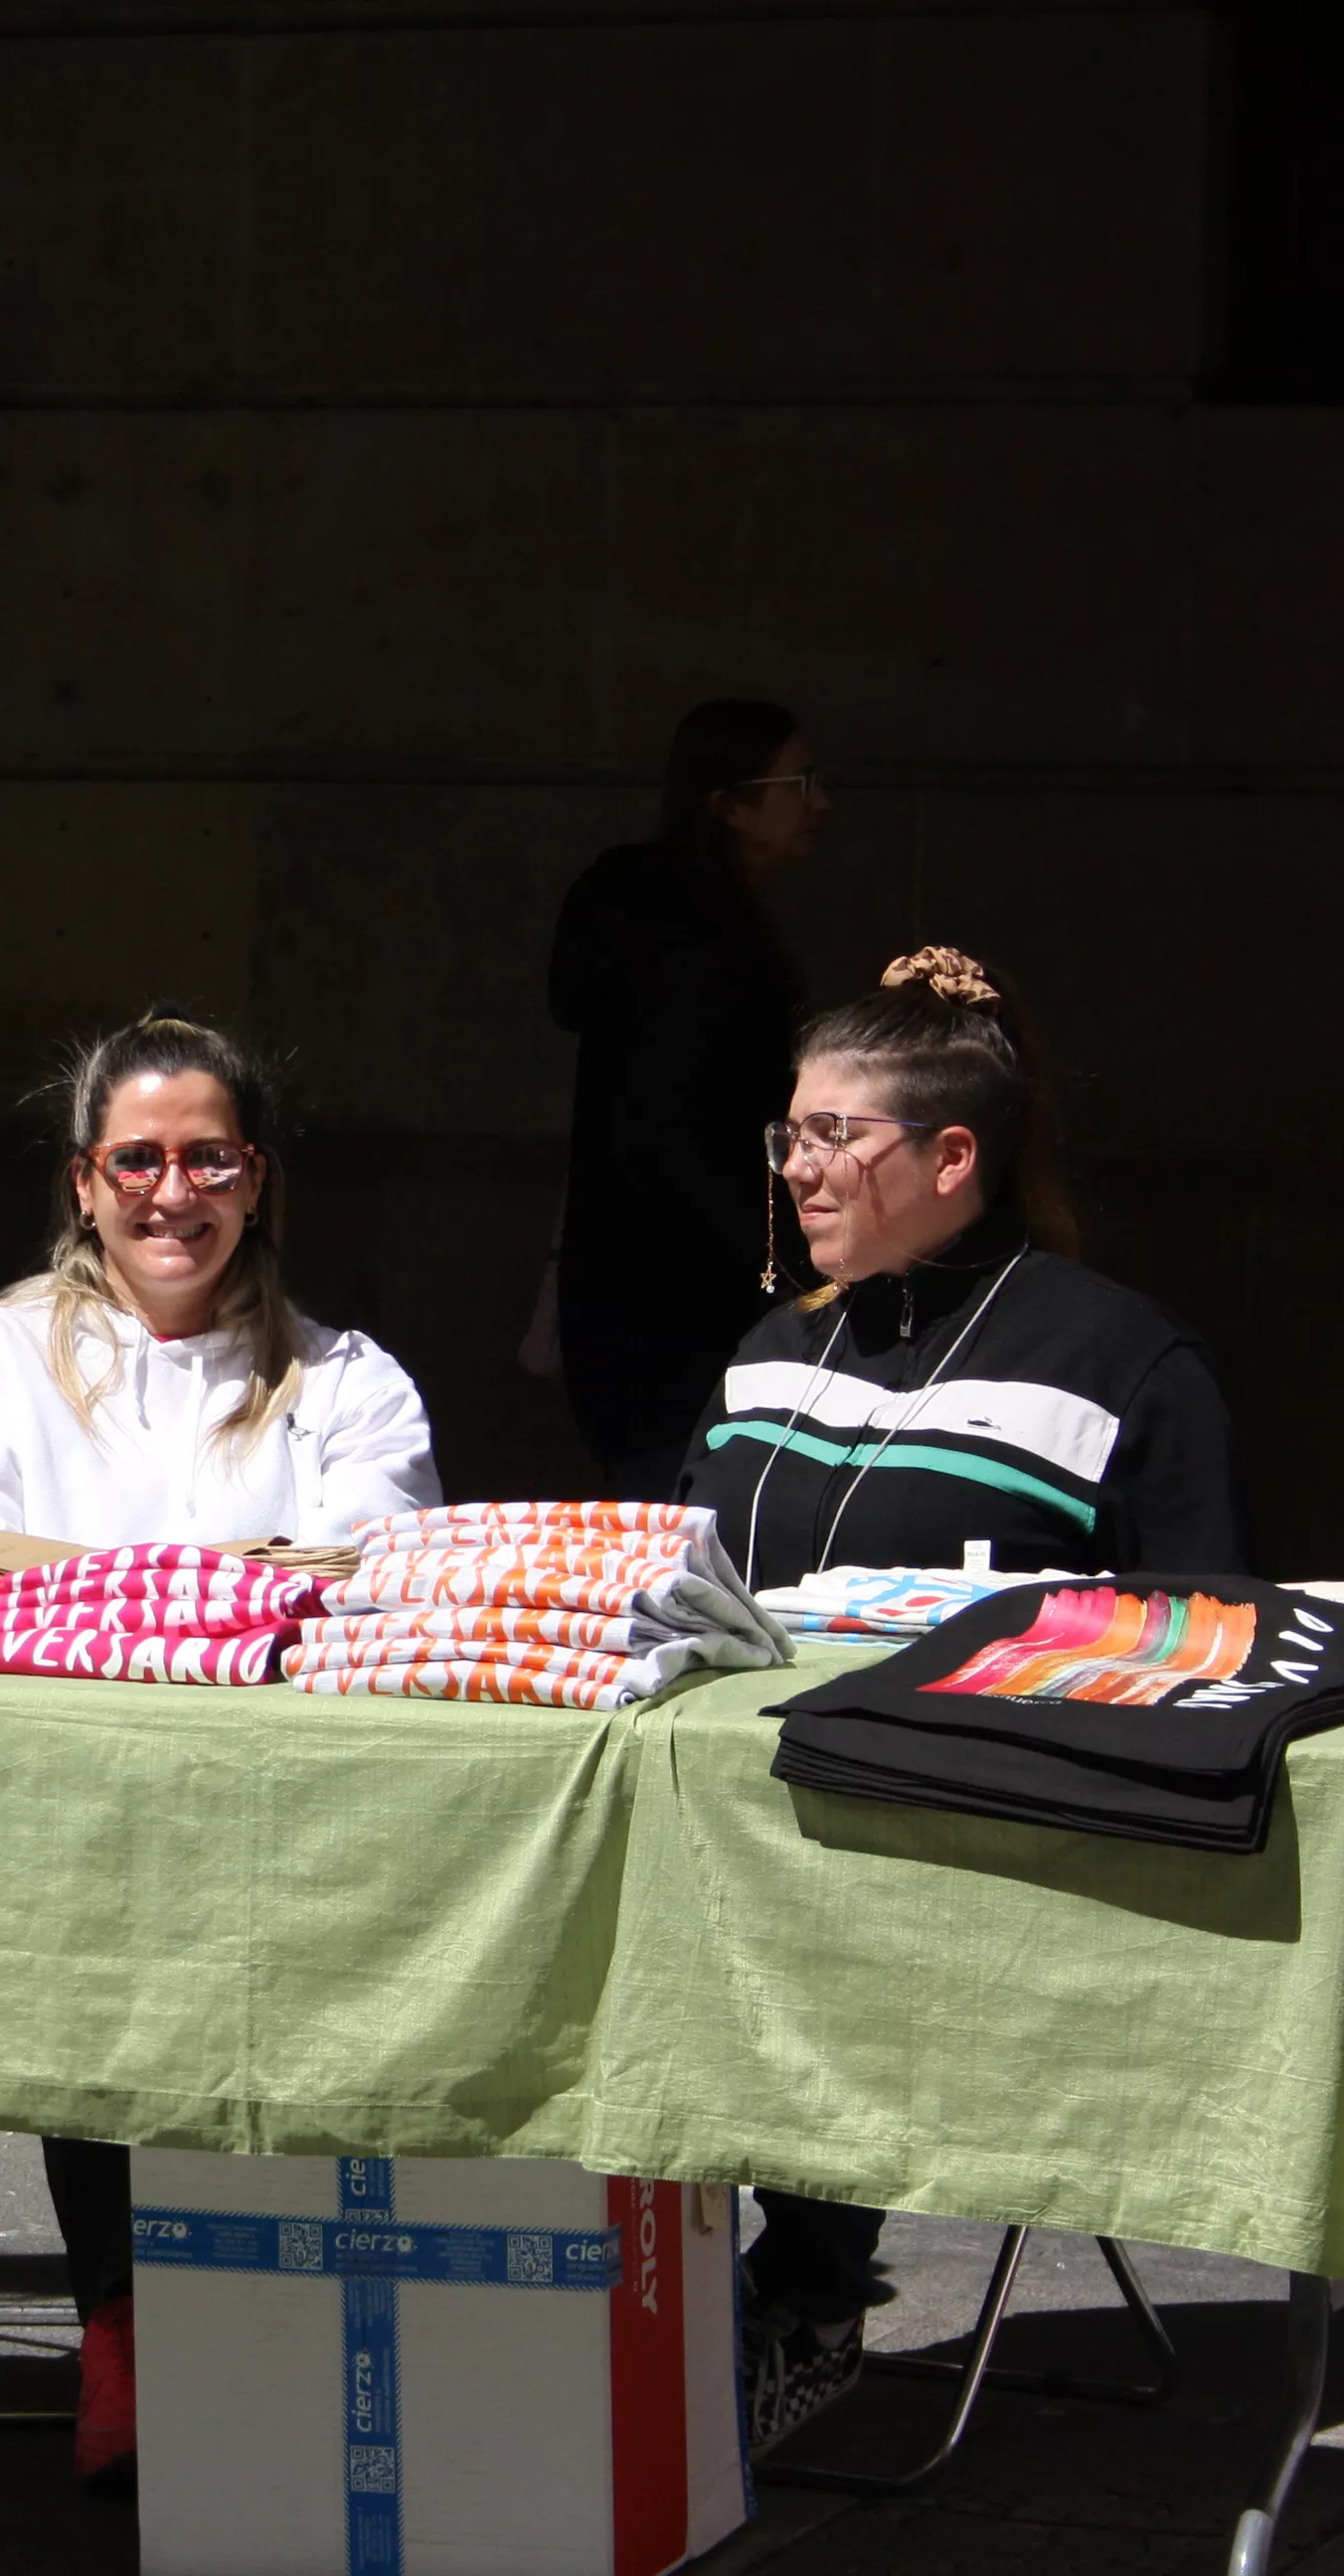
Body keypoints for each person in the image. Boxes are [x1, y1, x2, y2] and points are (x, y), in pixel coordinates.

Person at [672, 942, 1248, 2449]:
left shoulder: (1119, 1359)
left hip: (968, 1844)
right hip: (726, 1829)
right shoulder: (767, 1352)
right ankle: (614, 2293)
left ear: (952, 1156)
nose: (796, 1168)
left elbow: (1200, 1638)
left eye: (832, 1135)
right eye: (787, 1133)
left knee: (822, 1902)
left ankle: (805, 2294)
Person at [0, 1011, 441, 2492]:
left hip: (288, 1827)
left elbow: (383, 1578)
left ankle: (268, 2324)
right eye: (138, 1158)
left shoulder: (349, 1380)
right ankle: (125, 2321)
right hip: (51, 1826)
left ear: (256, 1180)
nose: (170, 1193)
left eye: (208, 1159)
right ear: (84, 1181)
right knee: (109, 1952)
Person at [544, 701, 821, 1493]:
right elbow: (674, 1142)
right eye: (800, 782)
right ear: (728, 804)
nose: (820, 803)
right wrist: (788, 1276)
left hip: (642, 1307)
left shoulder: (703, 929)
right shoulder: (695, 947)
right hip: (685, 1317)